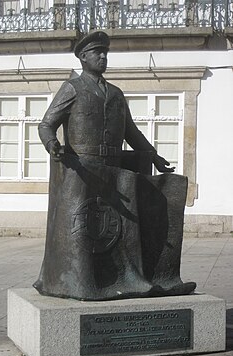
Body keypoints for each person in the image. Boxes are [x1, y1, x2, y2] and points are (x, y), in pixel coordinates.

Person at [33, 31, 196, 300]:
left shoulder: (117, 94)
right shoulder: (72, 88)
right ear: (83, 58)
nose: (103, 57)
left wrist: (152, 155)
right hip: (83, 172)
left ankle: (128, 279)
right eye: (97, 53)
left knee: (122, 233)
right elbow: (46, 124)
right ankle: (78, 283)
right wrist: (52, 145)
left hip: (115, 170)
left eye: (105, 53)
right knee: (86, 232)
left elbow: (130, 131)